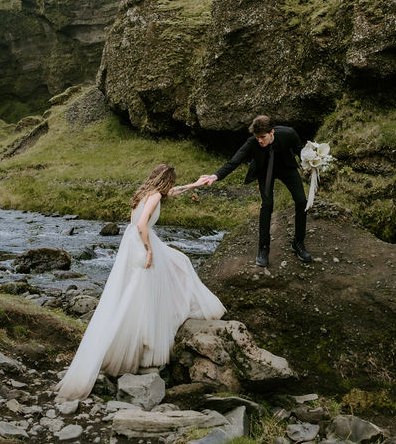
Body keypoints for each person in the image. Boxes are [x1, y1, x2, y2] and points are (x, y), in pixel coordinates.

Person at [54, 164, 225, 401]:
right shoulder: (154, 196)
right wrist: (149, 250)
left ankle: (146, 340)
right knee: (158, 279)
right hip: (141, 242)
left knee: (160, 275)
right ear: (166, 181)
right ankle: (146, 344)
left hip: (131, 242)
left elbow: (174, 192)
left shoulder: (147, 193)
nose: (172, 187)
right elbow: (143, 224)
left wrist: (195, 184)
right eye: (171, 182)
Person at [200, 115, 311, 267]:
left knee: (301, 201)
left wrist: (311, 165)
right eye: (257, 137)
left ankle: (298, 243)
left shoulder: (288, 133)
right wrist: (216, 176)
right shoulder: (252, 142)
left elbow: (301, 151)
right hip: (265, 171)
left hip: (287, 168)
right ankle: (263, 249)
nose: (260, 140)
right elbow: (235, 161)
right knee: (267, 205)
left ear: (272, 132)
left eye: (263, 137)